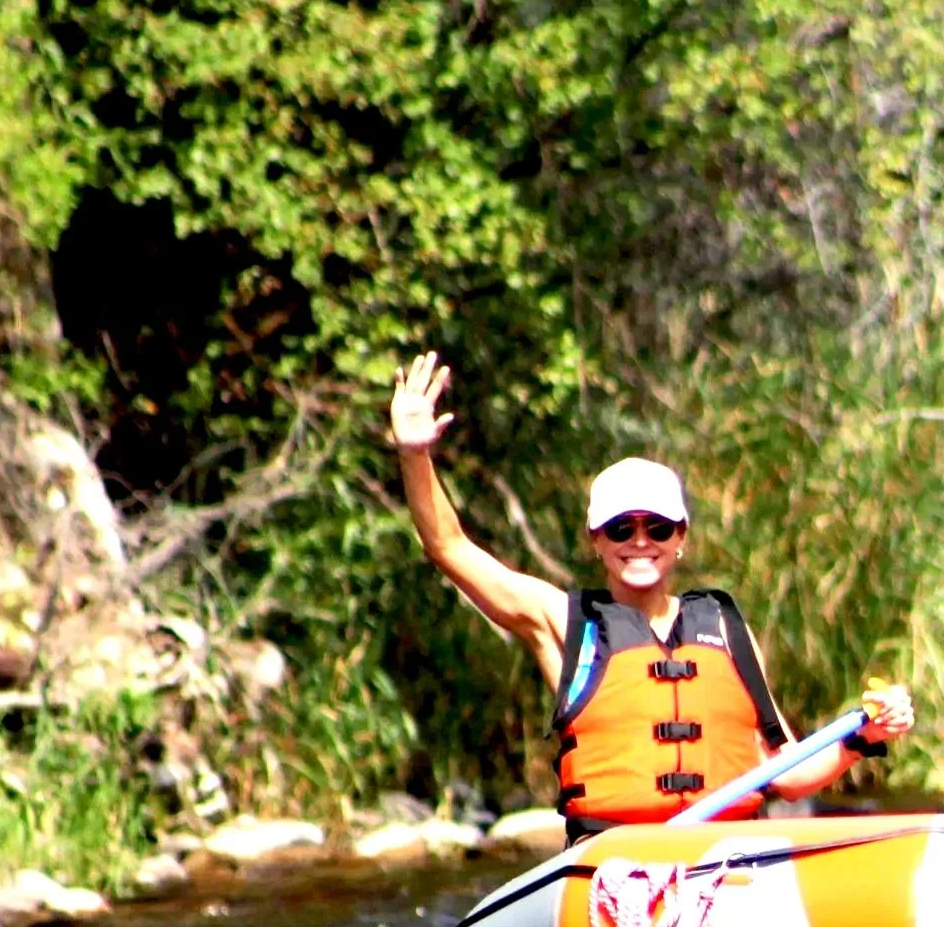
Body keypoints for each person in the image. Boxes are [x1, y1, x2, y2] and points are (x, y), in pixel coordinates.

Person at [387, 352, 914, 840]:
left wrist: (863, 734)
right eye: (621, 529)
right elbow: (449, 547)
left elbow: (785, 769)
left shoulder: (725, 629)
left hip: (724, 860)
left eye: (657, 528)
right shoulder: (567, 623)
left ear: (680, 539)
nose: (640, 542)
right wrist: (416, 455)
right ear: (597, 540)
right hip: (613, 865)